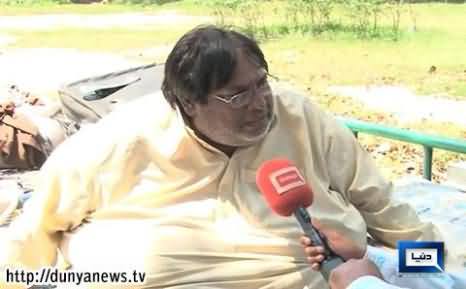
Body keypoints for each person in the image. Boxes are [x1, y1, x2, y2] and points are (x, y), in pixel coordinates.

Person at [1, 25, 442, 289]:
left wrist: (413, 259)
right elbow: (37, 228)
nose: (260, 103)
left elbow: (402, 230)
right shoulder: (122, 139)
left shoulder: (302, 118)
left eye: (261, 83)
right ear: (188, 103)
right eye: (235, 95)